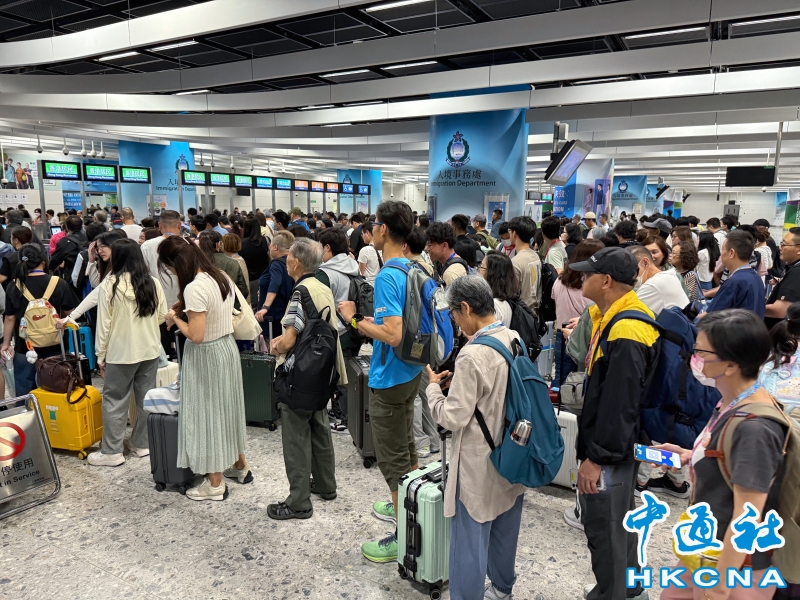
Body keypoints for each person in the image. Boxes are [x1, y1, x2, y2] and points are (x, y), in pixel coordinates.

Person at [657, 310, 787, 600]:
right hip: (707, 550)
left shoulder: (755, 428)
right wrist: (691, 454)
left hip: (736, 567)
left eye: (701, 352)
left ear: (730, 364)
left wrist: (718, 588)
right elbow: (730, 457)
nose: (694, 358)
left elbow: (747, 517)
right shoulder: (732, 402)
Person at [425, 276, 526, 600]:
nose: (454, 321)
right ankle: (502, 588)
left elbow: (452, 417)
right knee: (505, 526)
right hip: (511, 452)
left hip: (477, 462)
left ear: (466, 308)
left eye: (454, 314)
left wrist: (433, 390)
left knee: (469, 541)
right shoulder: (512, 337)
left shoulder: (471, 355)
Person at [567, 247, 660, 600]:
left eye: (588, 273)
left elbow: (620, 405)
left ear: (606, 281)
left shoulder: (628, 329)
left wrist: (597, 459)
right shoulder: (613, 317)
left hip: (610, 451)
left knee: (605, 528)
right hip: (617, 446)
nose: (581, 278)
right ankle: (629, 589)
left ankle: (613, 593)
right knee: (621, 521)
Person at [338, 200, 422, 564]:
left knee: (392, 457)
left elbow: (392, 333)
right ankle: (409, 503)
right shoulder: (413, 267)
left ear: (384, 229)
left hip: (390, 377)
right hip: (411, 370)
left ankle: (405, 535)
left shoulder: (388, 274)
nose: (370, 229)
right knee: (406, 444)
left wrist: (354, 320)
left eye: (374, 223)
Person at [157, 236, 251, 501]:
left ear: (177, 263)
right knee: (228, 409)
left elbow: (196, 335)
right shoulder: (219, 276)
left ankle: (215, 484)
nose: (172, 273)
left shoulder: (194, 287)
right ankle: (240, 466)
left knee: (208, 414)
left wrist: (174, 318)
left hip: (206, 355)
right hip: (226, 348)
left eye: (170, 268)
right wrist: (185, 309)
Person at [266, 238, 346, 519]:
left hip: (299, 374)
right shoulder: (322, 286)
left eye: (289, 257)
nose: (286, 261)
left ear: (296, 262)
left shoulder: (300, 293)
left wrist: (276, 346)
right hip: (323, 370)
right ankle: (326, 485)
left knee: (296, 436)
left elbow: (290, 339)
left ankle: (299, 502)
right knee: (320, 426)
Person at [88, 239, 167, 467]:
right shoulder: (152, 282)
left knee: (114, 400)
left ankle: (112, 451)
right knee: (146, 399)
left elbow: (104, 325)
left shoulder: (110, 284)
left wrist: (100, 355)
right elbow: (162, 315)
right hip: (150, 350)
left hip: (120, 352)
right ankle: (143, 444)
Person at [2, 244, 79, 396]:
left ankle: (28, 410)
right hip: (56, 344)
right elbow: (71, 312)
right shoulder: (58, 283)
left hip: (25, 346)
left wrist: (6, 344)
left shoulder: (14, 286)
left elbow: (10, 318)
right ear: (44, 260)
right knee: (58, 385)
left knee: (25, 389)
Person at [315, 228, 361, 435]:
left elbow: (318, 303)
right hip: (353, 327)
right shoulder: (353, 266)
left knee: (340, 377)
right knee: (348, 374)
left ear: (327, 247)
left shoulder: (325, 273)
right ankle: (343, 412)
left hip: (337, 331)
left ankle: (344, 418)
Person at [552, 240, 602, 387]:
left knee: (561, 378)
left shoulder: (559, 281)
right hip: (586, 336)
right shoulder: (593, 286)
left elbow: (555, 302)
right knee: (582, 379)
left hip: (562, 332)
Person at [141, 210, 185, 359]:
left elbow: (143, 275)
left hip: (158, 306)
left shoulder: (147, 246)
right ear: (179, 225)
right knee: (184, 350)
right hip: (183, 305)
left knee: (162, 352)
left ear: (159, 226)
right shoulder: (187, 244)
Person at [705, 230, 765, 318]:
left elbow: (711, 316)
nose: (721, 254)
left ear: (731, 253)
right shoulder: (756, 278)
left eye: (723, 249)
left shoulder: (734, 282)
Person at [255, 231, 295, 340]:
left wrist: (265, 307)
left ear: (275, 247)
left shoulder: (276, 264)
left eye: (271, 245)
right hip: (287, 312)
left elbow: (275, 283)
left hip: (273, 315)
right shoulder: (292, 262)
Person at [630, 245, 689, 315]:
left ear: (645, 263)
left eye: (632, 270)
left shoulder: (653, 285)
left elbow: (630, 311)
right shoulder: (667, 277)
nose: (630, 275)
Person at [197, 231, 249, 301]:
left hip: (202, 302)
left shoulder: (195, 262)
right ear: (218, 244)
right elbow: (244, 291)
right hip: (229, 303)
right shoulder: (232, 262)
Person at [508, 216, 541, 313]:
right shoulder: (535, 255)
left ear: (514, 233)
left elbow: (511, 293)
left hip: (522, 314)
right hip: (535, 312)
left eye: (510, 231)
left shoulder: (515, 262)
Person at [479, 250, 519, 326]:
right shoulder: (505, 302)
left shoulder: (494, 306)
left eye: (482, 267)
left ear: (492, 274)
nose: (479, 270)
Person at [239, 217, 271, 308]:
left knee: (251, 305)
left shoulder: (242, 244)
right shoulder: (266, 240)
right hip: (265, 277)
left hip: (249, 279)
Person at [49, 216, 88, 285]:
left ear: (67, 226)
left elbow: (55, 260)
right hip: (87, 274)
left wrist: (50, 267)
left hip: (72, 276)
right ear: (81, 225)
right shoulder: (88, 237)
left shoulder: (64, 241)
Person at [426, 221, 466, 285]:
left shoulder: (450, 274)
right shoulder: (457, 260)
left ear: (444, 246)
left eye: (430, 245)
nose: (427, 249)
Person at [357, 221, 383, 287]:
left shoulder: (365, 250)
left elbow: (360, 272)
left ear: (367, 233)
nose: (362, 236)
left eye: (362, 234)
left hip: (368, 286)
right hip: (380, 284)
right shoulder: (383, 248)